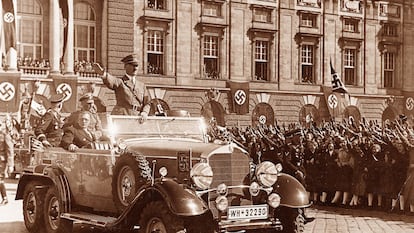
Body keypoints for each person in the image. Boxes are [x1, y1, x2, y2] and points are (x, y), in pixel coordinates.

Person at [0, 119, 14, 205]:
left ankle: (5, 198)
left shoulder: (5, 136)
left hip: (1, 161)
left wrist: (10, 165)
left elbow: (10, 151)